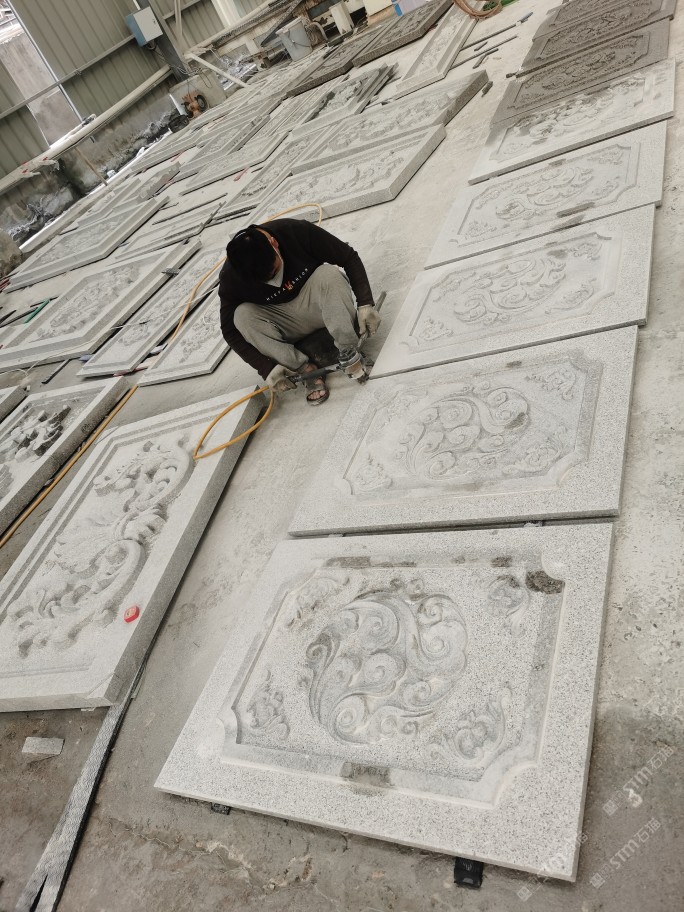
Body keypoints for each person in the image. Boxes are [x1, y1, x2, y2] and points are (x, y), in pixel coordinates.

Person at [218, 218, 381, 405]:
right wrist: (266, 368)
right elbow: (229, 331)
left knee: (328, 274)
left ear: (274, 243)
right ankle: (306, 370)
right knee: (242, 316)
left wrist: (365, 303)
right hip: (283, 322)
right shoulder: (231, 276)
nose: (273, 280)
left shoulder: (295, 231)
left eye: (275, 270)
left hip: (316, 305)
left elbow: (348, 257)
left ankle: (349, 352)